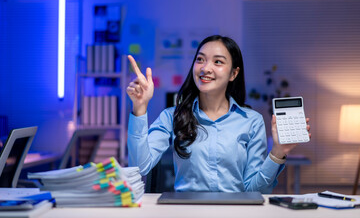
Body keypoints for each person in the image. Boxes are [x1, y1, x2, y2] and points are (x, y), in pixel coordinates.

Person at [126, 35, 311, 193]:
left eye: (218, 62)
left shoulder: (251, 121)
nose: (206, 68)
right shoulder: (171, 116)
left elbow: (254, 191)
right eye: (200, 59)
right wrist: (140, 108)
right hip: (186, 212)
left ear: (233, 73)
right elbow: (140, 166)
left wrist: (278, 152)